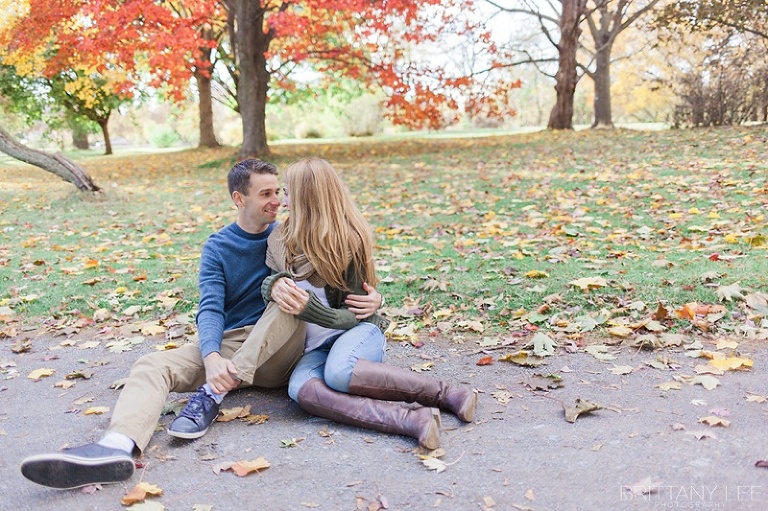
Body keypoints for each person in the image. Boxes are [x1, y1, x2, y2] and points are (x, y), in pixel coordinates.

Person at [19, 159, 382, 490]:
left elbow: (346, 277)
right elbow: (210, 308)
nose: (277, 201)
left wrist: (377, 300)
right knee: (152, 365)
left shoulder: (293, 233)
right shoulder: (218, 247)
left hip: (281, 348)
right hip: (233, 344)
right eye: (266, 194)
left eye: (279, 192)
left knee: (285, 302)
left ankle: (214, 391)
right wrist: (211, 356)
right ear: (239, 198)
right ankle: (115, 448)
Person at [262, 157, 477, 451]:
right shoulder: (280, 239)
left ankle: (449, 393)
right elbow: (274, 285)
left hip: (358, 334)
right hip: (312, 349)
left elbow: (356, 314)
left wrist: (310, 310)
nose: (283, 203)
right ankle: (411, 420)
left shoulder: (346, 241)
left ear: (307, 199)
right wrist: (272, 286)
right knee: (300, 389)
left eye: (288, 193)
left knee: (338, 373)